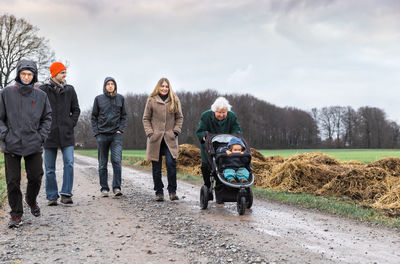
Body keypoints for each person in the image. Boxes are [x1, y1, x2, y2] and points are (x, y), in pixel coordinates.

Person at [0, 60, 52, 228]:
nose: (26, 77)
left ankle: (31, 199)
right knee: (12, 180)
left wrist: (41, 136)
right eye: (23, 74)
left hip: (33, 143)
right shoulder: (6, 93)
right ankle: (16, 214)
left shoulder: (41, 96)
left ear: (34, 76)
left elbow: (47, 118)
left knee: (36, 176)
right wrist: (5, 135)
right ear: (18, 74)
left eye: (30, 74)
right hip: (12, 143)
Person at [39, 62, 81, 206]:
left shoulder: (70, 90)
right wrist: (43, 128)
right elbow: (39, 111)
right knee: (49, 168)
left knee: (69, 163)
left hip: (66, 134)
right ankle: (51, 196)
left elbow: (76, 109)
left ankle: (66, 194)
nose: (65, 75)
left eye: (65, 72)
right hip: (49, 134)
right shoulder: (43, 90)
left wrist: (70, 123)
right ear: (55, 74)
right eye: (62, 72)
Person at [142, 78, 183, 201]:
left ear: (169, 87)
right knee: (156, 167)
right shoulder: (151, 100)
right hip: (155, 139)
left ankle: (172, 191)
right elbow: (145, 118)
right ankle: (159, 192)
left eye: (166, 86)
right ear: (158, 87)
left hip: (170, 138)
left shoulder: (175, 100)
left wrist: (175, 131)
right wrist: (150, 133)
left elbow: (179, 118)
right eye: (162, 86)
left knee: (171, 164)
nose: (164, 88)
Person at [195, 97, 242, 203]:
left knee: (223, 166)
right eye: (219, 112)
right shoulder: (206, 116)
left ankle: (221, 191)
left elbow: (237, 129)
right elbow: (200, 131)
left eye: (224, 112)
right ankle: (208, 187)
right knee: (207, 167)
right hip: (209, 147)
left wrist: (234, 138)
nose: (221, 115)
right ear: (214, 111)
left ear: (227, 111)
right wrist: (204, 137)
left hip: (226, 147)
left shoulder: (232, 117)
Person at [91, 77, 127, 197]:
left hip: (116, 135)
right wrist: (97, 133)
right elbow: (93, 117)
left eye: (112, 84)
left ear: (115, 86)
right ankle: (104, 189)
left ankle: (117, 188)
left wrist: (120, 130)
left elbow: (124, 116)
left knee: (116, 161)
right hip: (102, 135)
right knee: (102, 163)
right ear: (105, 86)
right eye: (108, 84)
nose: (110, 86)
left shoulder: (120, 99)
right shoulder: (98, 99)